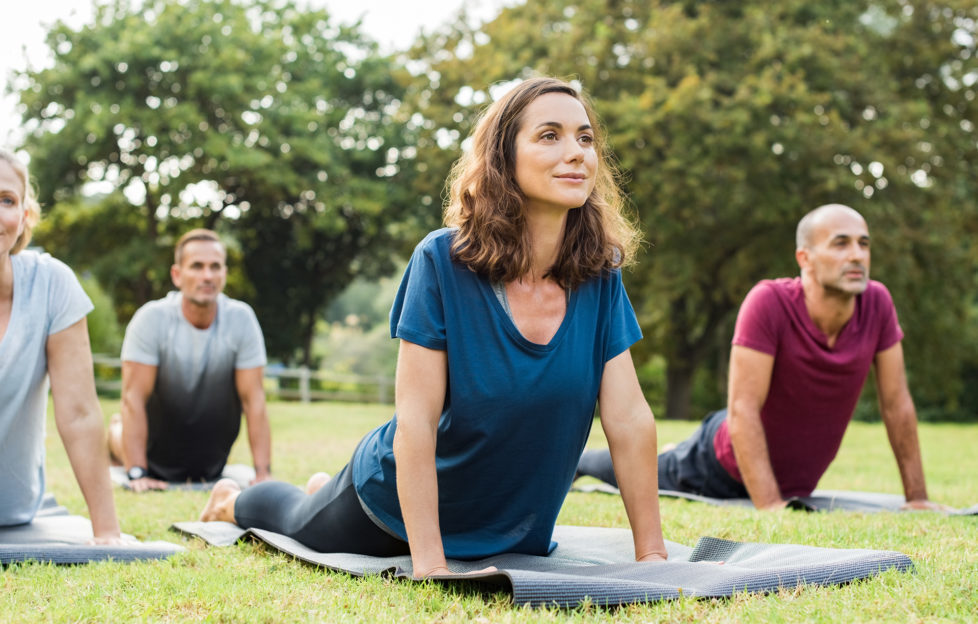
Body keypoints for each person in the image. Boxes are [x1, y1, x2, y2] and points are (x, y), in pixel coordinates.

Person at [199, 77, 668, 577]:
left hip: (510, 526)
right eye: (549, 135)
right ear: (502, 158)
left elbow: (629, 419)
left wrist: (653, 556)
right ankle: (231, 500)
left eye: (585, 138)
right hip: (391, 512)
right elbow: (416, 423)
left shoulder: (599, 276)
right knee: (294, 518)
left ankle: (319, 486)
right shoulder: (442, 261)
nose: (576, 152)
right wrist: (429, 564)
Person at [577, 204, 946, 511]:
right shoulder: (769, 302)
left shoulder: (877, 303)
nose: (856, 255)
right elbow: (743, 410)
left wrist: (917, 499)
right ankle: (580, 462)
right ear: (805, 257)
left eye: (864, 244)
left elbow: (897, 404)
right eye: (840, 244)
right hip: (717, 465)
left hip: (789, 477)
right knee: (640, 469)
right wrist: (771, 506)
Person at [0, 148, 125, 542]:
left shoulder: (51, 284)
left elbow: (80, 413)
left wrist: (107, 532)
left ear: (24, 217)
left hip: (12, 509)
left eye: (6, 200)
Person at [108, 229, 272, 491]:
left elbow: (254, 399)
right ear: (177, 275)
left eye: (215, 267)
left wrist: (263, 473)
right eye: (197, 266)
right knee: (120, 431)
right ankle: (115, 434)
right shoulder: (150, 319)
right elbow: (133, 398)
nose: (207, 275)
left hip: (209, 461)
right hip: (153, 451)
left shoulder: (242, 319)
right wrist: (137, 472)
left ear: (224, 274)